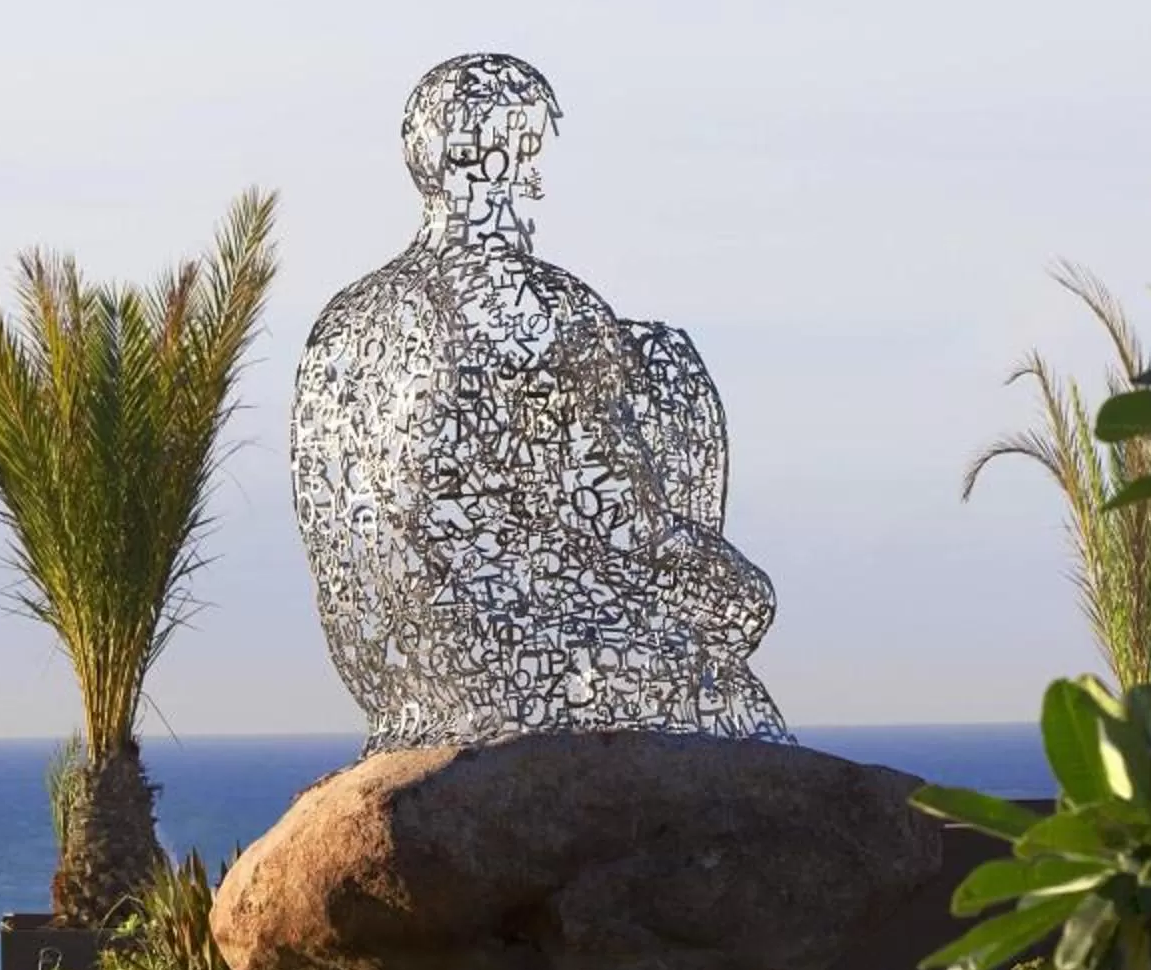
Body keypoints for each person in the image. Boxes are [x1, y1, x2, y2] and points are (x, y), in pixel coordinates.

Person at [291, 53, 788, 752]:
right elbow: (625, 522)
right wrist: (721, 574)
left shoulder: (340, 325)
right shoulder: (540, 306)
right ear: (490, 161)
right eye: (529, 155)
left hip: (393, 674)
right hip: (505, 658)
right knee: (725, 683)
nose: (538, 182)